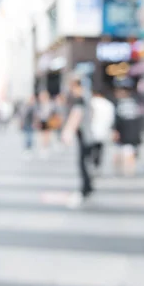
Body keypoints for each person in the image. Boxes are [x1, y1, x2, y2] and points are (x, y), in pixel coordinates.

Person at [61, 77, 93, 208]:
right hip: (87, 134)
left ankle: (85, 188)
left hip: (85, 135)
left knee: (82, 162)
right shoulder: (87, 97)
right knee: (84, 162)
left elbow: (76, 115)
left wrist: (68, 131)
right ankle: (87, 187)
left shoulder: (81, 98)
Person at [112, 79, 144, 176]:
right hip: (129, 134)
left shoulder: (122, 103)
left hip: (127, 134)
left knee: (127, 153)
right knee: (126, 153)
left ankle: (128, 172)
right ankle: (127, 172)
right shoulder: (135, 102)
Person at [89, 90, 115, 175]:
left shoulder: (92, 102)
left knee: (91, 149)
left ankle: (92, 164)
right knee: (100, 149)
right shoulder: (108, 104)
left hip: (92, 130)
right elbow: (111, 119)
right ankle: (97, 165)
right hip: (104, 130)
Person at [37, 91, 54, 158]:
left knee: (47, 134)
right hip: (42, 120)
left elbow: (51, 112)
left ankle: (46, 147)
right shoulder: (40, 104)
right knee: (42, 134)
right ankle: (43, 147)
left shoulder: (49, 104)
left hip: (48, 120)